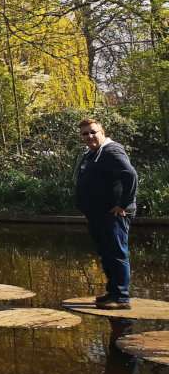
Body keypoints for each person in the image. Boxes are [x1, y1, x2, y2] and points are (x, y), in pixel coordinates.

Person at [75, 118, 138, 309]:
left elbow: (130, 175)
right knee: (106, 254)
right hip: (97, 214)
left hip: (114, 214)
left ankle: (121, 297)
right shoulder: (91, 154)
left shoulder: (112, 151)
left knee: (117, 253)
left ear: (102, 132)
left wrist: (123, 204)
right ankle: (113, 292)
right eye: (85, 133)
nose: (89, 136)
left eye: (93, 132)